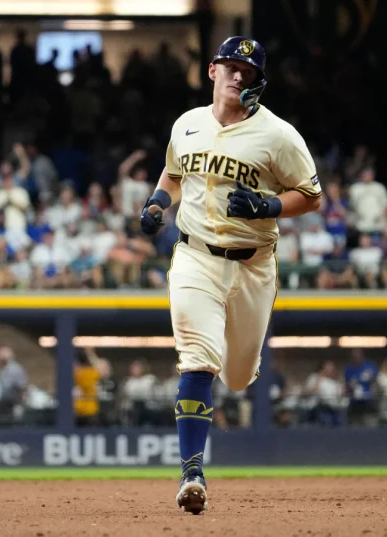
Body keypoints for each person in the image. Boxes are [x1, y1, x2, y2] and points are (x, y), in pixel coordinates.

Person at [139, 36, 322, 514]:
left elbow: (312, 194)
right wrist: (159, 202)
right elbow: (174, 174)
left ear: (258, 81)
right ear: (212, 71)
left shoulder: (279, 135)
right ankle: (191, 472)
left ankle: (238, 369)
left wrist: (270, 204)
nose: (239, 74)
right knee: (198, 360)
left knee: (239, 376)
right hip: (195, 257)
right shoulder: (187, 124)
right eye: (231, 65)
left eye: (249, 70)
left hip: (254, 264)